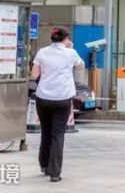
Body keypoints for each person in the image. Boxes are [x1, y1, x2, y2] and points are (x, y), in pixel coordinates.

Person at [31, 27, 84, 182]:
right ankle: (55, 173)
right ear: (65, 39)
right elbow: (80, 66)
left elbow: (34, 75)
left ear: (52, 38)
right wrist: (71, 48)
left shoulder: (42, 52)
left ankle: (44, 165)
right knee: (58, 134)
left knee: (46, 131)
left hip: (43, 98)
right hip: (62, 98)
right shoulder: (70, 53)